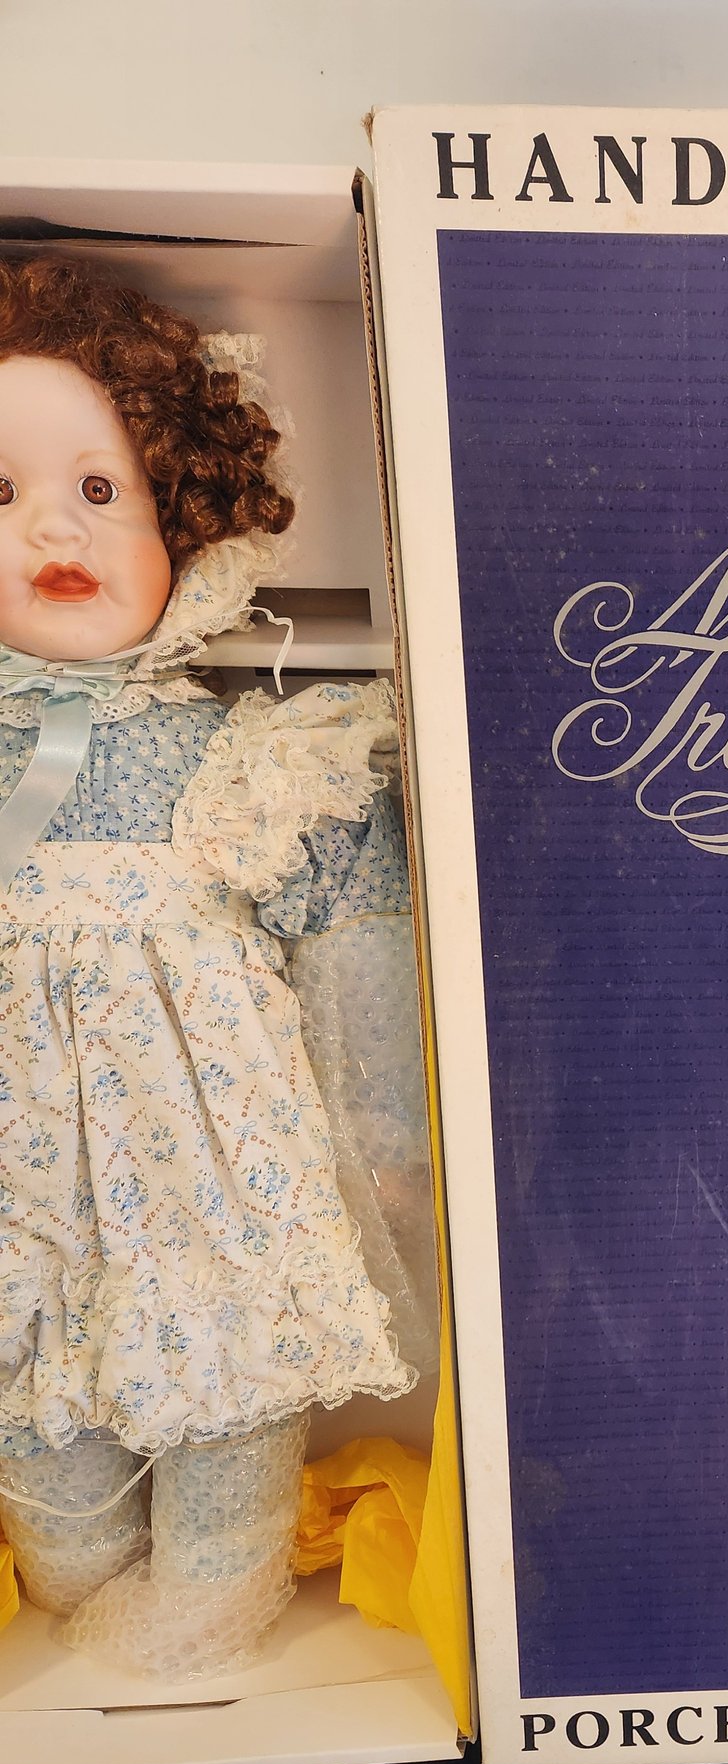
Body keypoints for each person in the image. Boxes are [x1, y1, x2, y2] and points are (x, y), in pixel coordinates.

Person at [0, 255, 431, 1679]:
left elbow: (351, 946)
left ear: (186, 510)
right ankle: (75, 1589)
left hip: (214, 1180)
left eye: (101, 488)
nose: (51, 526)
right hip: (22, 1188)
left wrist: (383, 1143)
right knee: (38, 1421)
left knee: (234, 1373)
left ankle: (215, 1597)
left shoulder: (256, 762)